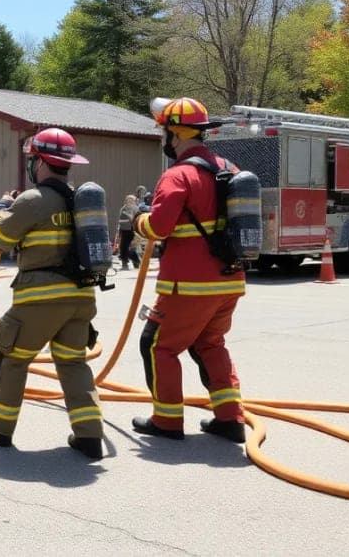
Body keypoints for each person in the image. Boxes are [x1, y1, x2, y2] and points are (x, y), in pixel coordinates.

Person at [0, 128, 104, 460]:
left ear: (40, 161)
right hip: (81, 299)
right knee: (74, 364)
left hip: (39, 300)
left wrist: (2, 208)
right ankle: (90, 435)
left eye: (33, 159)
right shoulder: (80, 202)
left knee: (13, 358)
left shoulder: (32, 200)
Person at [131, 97, 247, 444]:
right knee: (210, 344)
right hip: (230, 281)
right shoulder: (231, 169)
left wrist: (139, 221)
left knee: (157, 346)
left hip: (189, 285)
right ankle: (230, 418)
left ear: (176, 134)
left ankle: (166, 420)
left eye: (165, 132)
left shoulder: (178, 175)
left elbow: (160, 227)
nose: (164, 140)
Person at [117, 194, 142, 270]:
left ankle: (136, 261)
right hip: (124, 231)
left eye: (131, 200)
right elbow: (120, 221)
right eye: (128, 200)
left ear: (134, 201)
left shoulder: (136, 209)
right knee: (123, 248)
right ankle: (124, 264)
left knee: (131, 248)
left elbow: (138, 220)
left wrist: (137, 232)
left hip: (132, 231)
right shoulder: (122, 209)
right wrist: (119, 232)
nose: (129, 202)